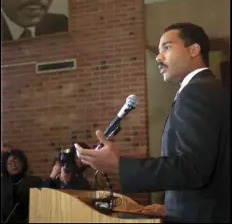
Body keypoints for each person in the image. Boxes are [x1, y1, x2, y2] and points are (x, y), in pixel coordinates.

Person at [75, 22, 230, 223]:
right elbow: (209, 167)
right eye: (158, 50)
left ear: (194, 50)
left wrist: (120, 165)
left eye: (167, 47)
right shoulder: (205, 89)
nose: (158, 57)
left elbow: (192, 168)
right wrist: (171, 207)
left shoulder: (197, 92)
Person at [1, 149, 42, 223]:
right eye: (10, 163)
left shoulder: (34, 181)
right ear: (5, 167)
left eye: (16, 161)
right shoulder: (3, 184)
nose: (13, 164)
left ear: (23, 162)